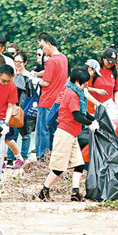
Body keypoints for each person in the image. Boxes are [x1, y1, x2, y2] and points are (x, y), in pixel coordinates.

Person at [38, 67, 99, 201]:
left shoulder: (77, 94)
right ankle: (44, 190)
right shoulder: (70, 94)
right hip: (65, 134)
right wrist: (90, 124)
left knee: (79, 164)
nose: (86, 86)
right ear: (77, 82)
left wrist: (93, 119)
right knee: (58, 168)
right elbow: (77, 116)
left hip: (72, 134)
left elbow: (83, 113)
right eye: (84, 83)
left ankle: (75, 193)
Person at [36, 35, 68, 161]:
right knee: (52, 131)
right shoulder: (63, 58)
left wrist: (35, 80)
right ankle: (52, 157)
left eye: (42, 47)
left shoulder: (51, 61)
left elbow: (46, 82)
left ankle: (41, 157)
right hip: (58, 100)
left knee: (42, 130)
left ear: (49, 44)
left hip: (46, 100)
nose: (43, 50)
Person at [6, 51, 35, 168]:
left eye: (20, 62)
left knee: (25, 134)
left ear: (25, 63)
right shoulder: (12, 75)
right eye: (15, 61)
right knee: (11, 133)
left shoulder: (29, 76)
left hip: (25, 108)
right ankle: (10, 158)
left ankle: (23, 157)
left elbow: (31, 94)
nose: (17, 64)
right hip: (13, 108)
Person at [86, 48, 118, 114]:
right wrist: (96, 90)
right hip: (93, 108)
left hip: (108, 108)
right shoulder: (94, 71)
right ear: (103, 59)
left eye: (113, 62)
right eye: (109, 62)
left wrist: (116, 101)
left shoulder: (115, 72)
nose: (111, 64)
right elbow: (84, 88)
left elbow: (117, 89)